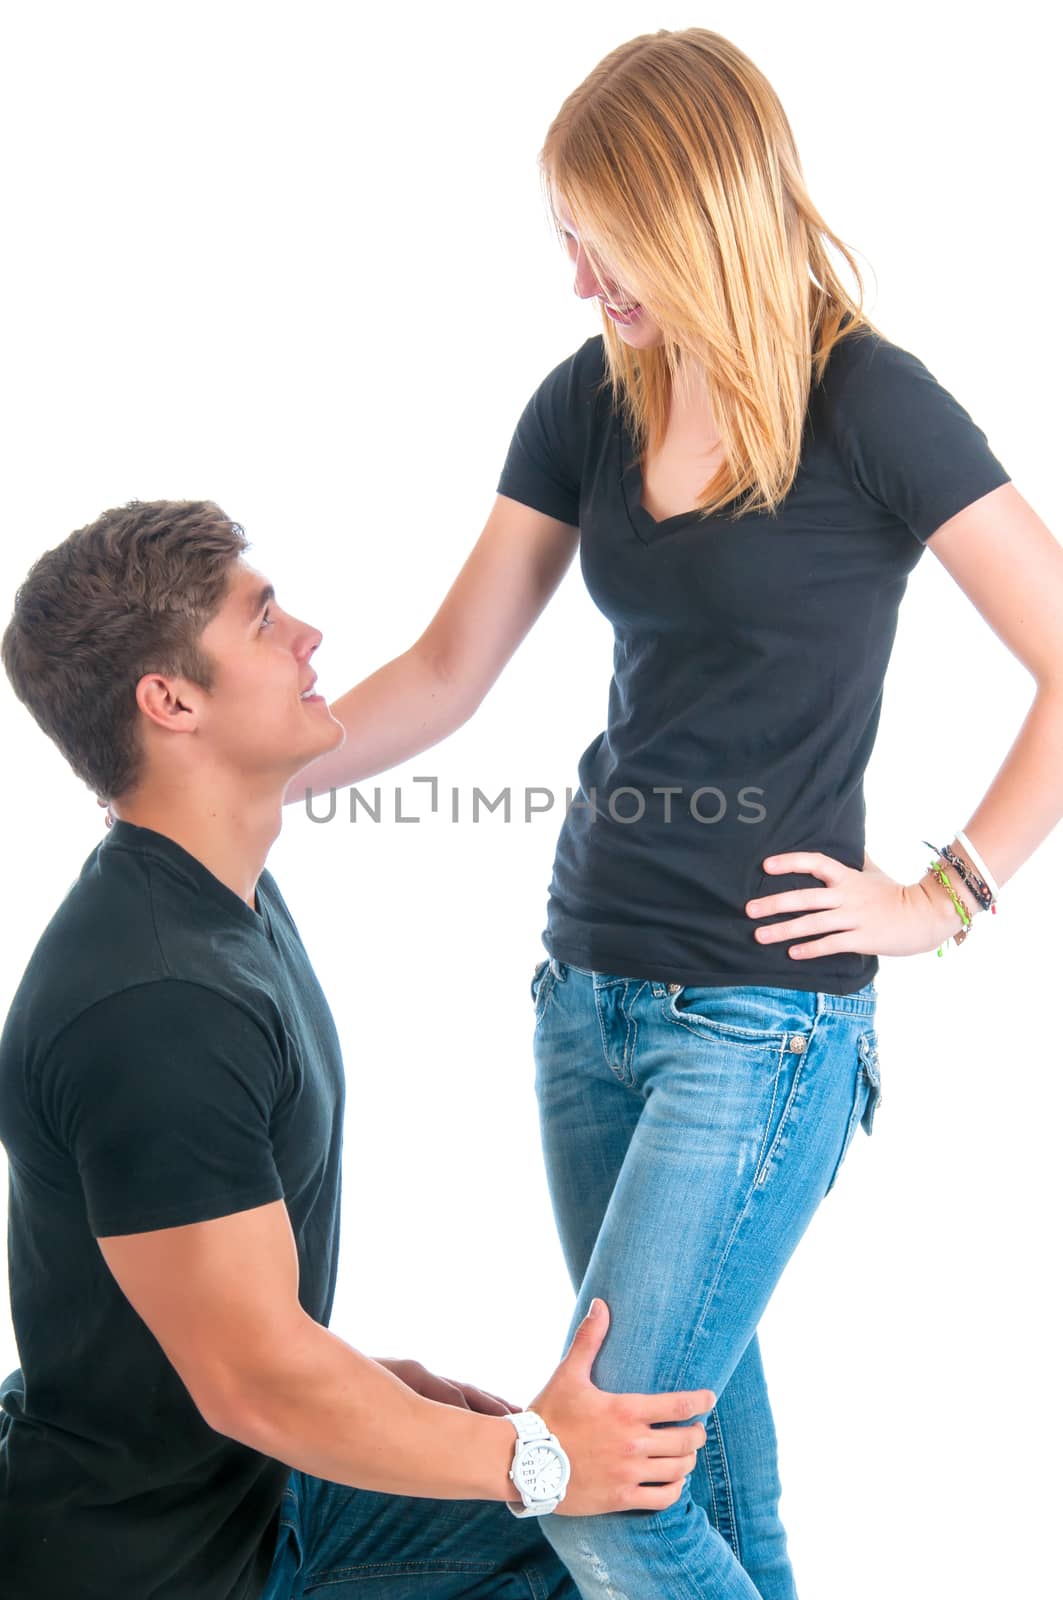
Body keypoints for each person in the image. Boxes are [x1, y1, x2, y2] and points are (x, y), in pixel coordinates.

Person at [281, 26, 1063, 1599]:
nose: (579, 282)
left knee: (597, 1489)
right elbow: (445, 669)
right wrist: (238, 770)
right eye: (564, 241)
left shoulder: (868, 403)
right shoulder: (585, 402)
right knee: (698, 1480)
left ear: (696, 210)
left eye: (602, 240)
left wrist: (942, 894)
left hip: (758, 1029)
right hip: (583, 1000)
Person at [0, 498, 716, 1600]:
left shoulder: (217, 904)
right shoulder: (154, 1003)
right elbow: (253, 1383)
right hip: (171, 1570)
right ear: (171, 699)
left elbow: (232, 1335)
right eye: (265, 618)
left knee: (621, 1531)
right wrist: (538, 1460)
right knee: (577, 1517)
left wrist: (390, 1393)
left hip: (254, 1492)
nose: (309, 637)